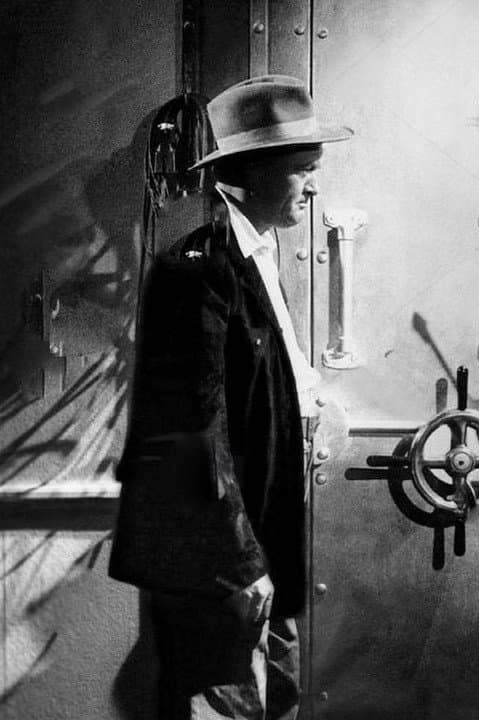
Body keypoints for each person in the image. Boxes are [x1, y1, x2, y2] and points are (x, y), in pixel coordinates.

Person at [109, 74, 351, 719]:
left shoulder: (255, 253)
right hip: (219, 557)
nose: (315, 185)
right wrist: (238, 565)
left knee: (277, 693)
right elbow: (191, 435)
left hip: (262, 536)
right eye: (303, 169)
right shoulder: (199, 270)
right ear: (251, 172)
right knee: (228, 704)